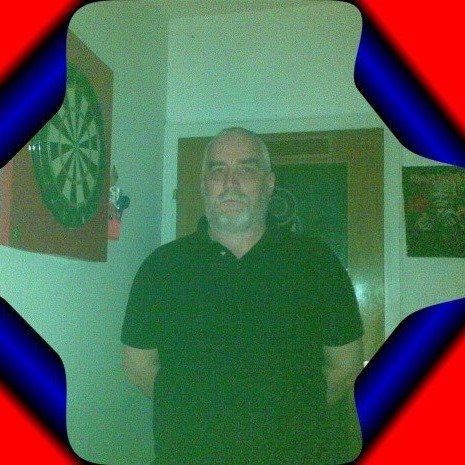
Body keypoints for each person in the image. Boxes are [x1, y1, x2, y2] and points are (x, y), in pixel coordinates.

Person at [121, 127, 364, 464]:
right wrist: (203, 416)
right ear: (204, 184)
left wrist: (284, 418)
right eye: (217, 169)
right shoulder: (161, 268)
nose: (230, 182)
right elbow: (137, 366)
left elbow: (346, 364)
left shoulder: (317, 264)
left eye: (247, 169)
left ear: (269, 183)